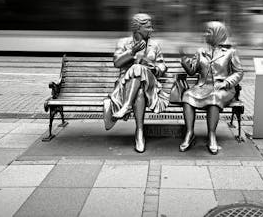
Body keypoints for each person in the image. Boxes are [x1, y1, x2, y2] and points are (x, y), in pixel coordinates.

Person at [103, 13, 168, 153]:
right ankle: (139, 133)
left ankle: (126, 106)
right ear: (138, 28)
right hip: (125, 86)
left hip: (149, 85)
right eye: (149, 27)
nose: (152, 30)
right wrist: (132, 52)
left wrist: (154, 67)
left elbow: (162, 66)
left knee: (138, 68)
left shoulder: (154, 45)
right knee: (138, 93)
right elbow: (117, 62)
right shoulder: (123, 43)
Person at [179, 21, 244, 155]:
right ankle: (190, 133)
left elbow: (238, 72)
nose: (205, 34)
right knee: (187, 95)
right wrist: (184, 58)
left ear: (217, 33)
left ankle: (211, 135)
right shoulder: (201, 52)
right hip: (202, 87)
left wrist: (226, 83)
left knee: (214, 97)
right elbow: (192, 71)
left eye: (208, 31)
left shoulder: (230, 52)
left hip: (223, 89)